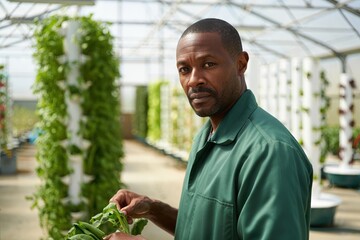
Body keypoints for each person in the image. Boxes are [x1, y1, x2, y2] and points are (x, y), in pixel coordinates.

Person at [104, 18, 313, 240]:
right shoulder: (206, 136)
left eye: (208, 64)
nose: (194, 80)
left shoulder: (269, 153)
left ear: (241, 64)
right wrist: (154, 209)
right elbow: (207, 230)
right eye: (184, 69)